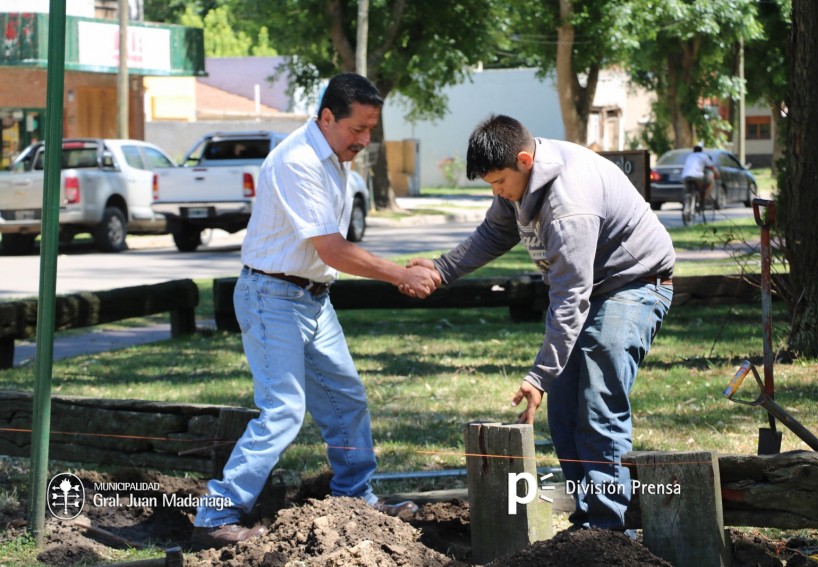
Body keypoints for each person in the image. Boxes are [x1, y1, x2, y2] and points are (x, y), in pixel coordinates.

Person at [192, 73, 439, 550]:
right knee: (283, 410)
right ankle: (215, 516)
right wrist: (399, 274)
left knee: (346, 399)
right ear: (327, 117)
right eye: (358, 130)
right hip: (271, 296)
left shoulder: (334, 155)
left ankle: (355, 497)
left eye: (372, 130)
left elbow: (328, 253)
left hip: (311, 298)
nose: (365, 141)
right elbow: (332, 249)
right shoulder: (297, 160)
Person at [407, 114, 675, 532]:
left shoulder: (569, 205)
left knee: (596, 399)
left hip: (633, 285)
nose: (497, 193)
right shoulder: (519, 177)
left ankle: (610, 531)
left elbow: (571, 297)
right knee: (564, 410)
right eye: (490, 186)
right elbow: (495, 234)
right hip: (587, 289)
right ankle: (587, 522)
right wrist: (442, 270)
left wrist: (538, 375)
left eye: (498, 183)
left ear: (524, 160)